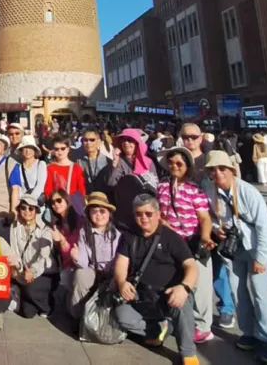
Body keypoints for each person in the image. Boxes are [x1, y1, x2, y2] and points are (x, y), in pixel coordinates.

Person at [203, 151, 267, 365]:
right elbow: (211, 216)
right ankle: (249, 333)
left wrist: (261, 258)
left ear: (231, 170)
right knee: (237, 292)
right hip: (233, 249)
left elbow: (264, 226)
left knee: (261, 293)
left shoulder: (247, 191)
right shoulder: (210, 189)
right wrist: (217, 229)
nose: (218, 173)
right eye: (213, 170)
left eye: (222, 168)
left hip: (256, 247)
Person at [113, 194, 199, 365]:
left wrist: (184, 287)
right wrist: (122, 282)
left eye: (148, 213)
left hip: (169, 294)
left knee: (183, 304)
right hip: (142, 295)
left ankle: (188, 353)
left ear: (158, 214)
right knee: (121, 315)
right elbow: (121, 263)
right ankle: (158, 330)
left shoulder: (171, 237)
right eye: (139, 214)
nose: (143, 218)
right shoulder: (129, 236)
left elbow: (191, 266)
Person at [157, 147, 216, 342]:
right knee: (175, 282)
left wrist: (205, 236)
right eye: (171, 163)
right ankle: (180, 319)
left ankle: (203, 326)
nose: (174, 166)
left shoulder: (194, 190)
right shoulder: (162, 186)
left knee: (200, 286)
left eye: (179, 163)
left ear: (187, 167)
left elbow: (205, 218)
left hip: (190, 242)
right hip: (169, 242)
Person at [70, 192, 119, 319]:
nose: (98, 215)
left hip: (112, 273)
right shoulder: (84, 232)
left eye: (102, 211)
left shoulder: (117, 234)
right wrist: (76, 257)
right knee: (80, 274)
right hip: (93, 270)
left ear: (109, 213)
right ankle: (78, 318)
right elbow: (84, 263)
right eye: (94, 211)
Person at [9, 195, 55, 318]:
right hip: (24, 271)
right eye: (23, 208)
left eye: (31, 208)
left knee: (30, 289)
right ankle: (32, 299)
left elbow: (43, 258)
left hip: (44, 272)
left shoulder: (45, 230)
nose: (27, 211)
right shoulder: (15, 228)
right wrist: (19, 269)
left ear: (36, 211)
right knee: (27, 313)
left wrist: (32, 272)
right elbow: (15, 252)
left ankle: (47, 305)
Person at [106, 128, 159, 231]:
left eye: (130, 140)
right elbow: (111, 183)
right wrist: (115, 163)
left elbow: (155, 186)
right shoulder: (120, 162)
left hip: (145, 208)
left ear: (137, 143)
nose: (126, 143)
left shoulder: (148, 162)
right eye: (123, 140)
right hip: (126, 210)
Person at [0, 130, 22, 237]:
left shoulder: (11, 164)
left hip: (2, 213)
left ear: (3, 147)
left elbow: (15, 189)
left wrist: (13, 210)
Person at [43, 133, 86, 201]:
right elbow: (48, 190)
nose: (60, 151)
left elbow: (81, 189)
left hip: (73, 205)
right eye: (56, 149)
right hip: (56, 204)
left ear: (68, 149)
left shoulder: (76, 168)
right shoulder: (50, 168)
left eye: (63, 148)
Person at [76, 127, 110, 194]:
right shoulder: (79, 162)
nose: (88, 143)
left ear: (99, 141)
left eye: (92, 140)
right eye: (85, 140)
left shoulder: (108, 161)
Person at [17, 135, 48, 202]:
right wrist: (22, 200)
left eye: (30, 148)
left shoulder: (40, 164)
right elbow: (18, 188)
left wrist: (30, 200)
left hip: (36, 202)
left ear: (34, 150)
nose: (28, 151)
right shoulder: (18, 167)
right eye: (25, 148)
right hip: (23, 203)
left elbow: (40, 185)